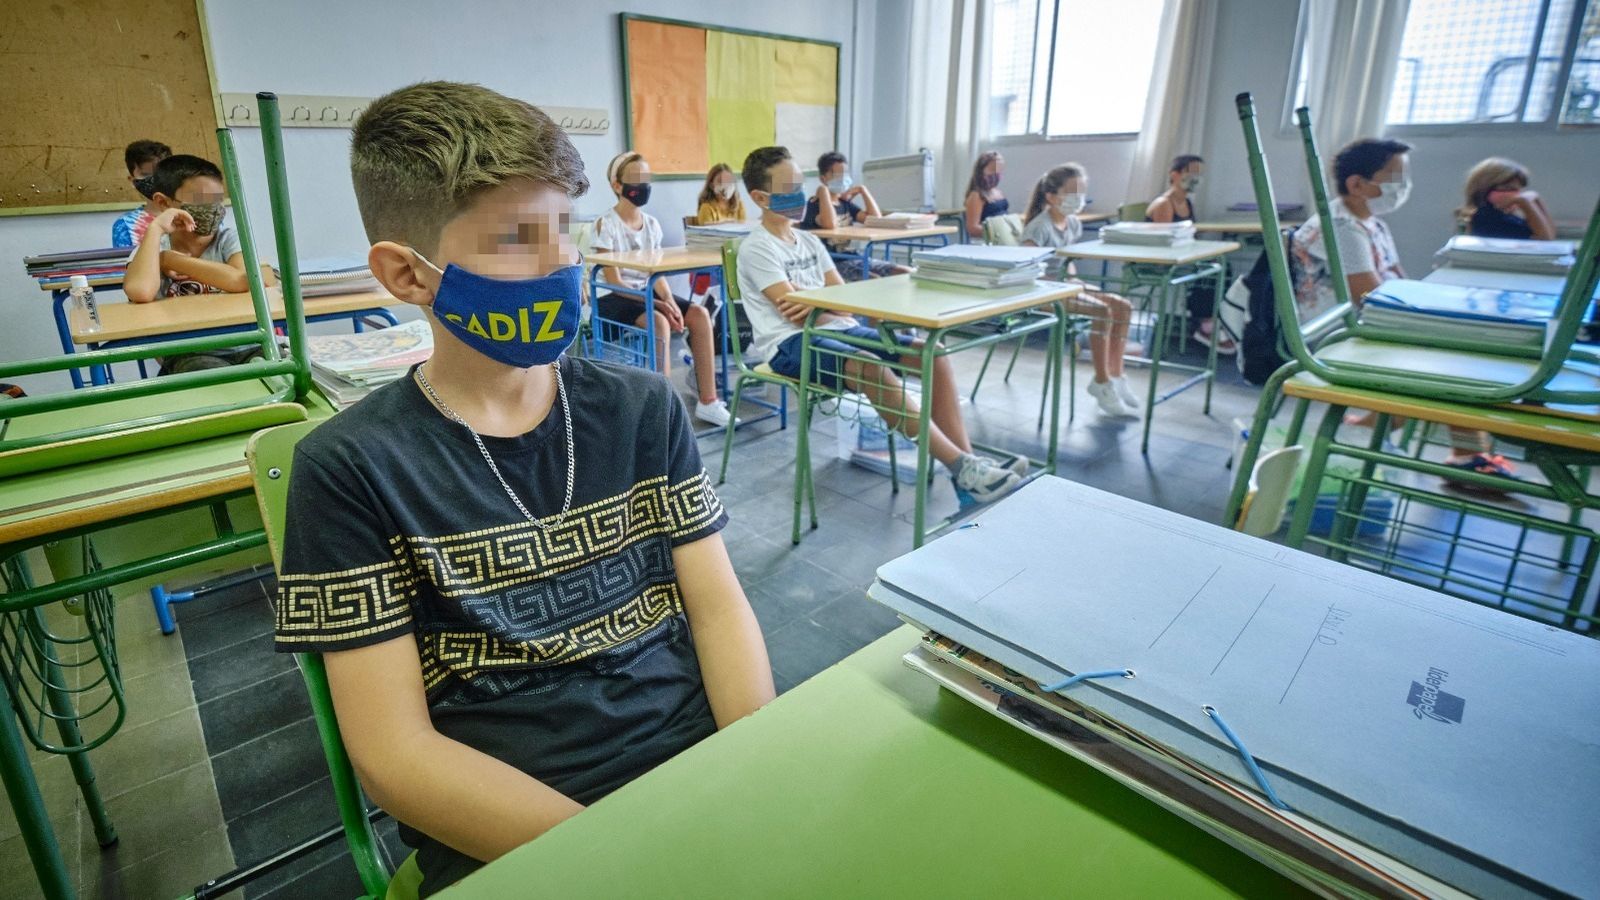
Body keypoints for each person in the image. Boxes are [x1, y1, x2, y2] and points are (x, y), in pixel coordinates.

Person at [274, 81, 773, 896]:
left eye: (565, 234)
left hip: (703, 767)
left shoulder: (643, 408)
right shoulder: (351, 469)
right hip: (514, 828)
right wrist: (621, 862)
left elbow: (718, 607)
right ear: (407, 274)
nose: (562, 267)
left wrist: (758, 762)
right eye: (516, 239)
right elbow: (396, 758)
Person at [737, 145, 1024, 506]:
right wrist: (818, 305)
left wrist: (814, 303)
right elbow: (790, 311)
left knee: (929, 353)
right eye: (788, 187)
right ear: (761, 197)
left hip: (835, 328)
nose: (800, 193)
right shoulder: (757, 247)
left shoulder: (808, 239)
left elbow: (837, 298)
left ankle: (969, 471)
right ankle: (961, 465)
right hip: (788, 344)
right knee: (871, 367)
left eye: (800, 183)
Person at [593, 151, 736, 427]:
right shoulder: (606, 224)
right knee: (659, 322)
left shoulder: (652, 225)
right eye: (635, 179)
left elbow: (656, 273)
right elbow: (613, 280)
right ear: (617, 185)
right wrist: (658, 305)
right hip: (615, 296)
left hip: (648, 292)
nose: (642, 185)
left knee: (698, 314)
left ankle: (709, 401)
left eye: (646, 179)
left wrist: (668, 299)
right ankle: (664, 407)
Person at [123, 153, 279, 374]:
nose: (212, 209)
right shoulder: (151, 249)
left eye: (217, 201)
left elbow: (245, 279)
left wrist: (171, 260)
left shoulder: (227, 239)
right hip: (191, 351)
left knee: (290, 371)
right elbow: (140, 291)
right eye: (199, 200)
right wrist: (155, 229)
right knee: (214, 383)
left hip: (250, 343)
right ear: (163, 202)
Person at [1020, 164, 1138, 418]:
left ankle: (1117, 376)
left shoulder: (1073, 224)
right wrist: (1066, 284)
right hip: (1041, 291)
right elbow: (1027, 271)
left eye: (1081, 192)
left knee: (1123, 306)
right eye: (1072, 193)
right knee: (1102, 311)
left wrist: (1074, 281)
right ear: (1051, 197)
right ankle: (1102, 382)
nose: (1079, 199)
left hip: (1064, 285)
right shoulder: (1038, 228)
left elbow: (1067, 262)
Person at [1146, 154, 1230, 353]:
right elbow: (1166, 241)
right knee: (1210, 269)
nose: (1196, 178)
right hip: (1162, 261)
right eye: (1191, 173)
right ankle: (1203, 323)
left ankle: (1209, 320)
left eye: (1199, 174)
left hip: (1182, 257)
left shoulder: (1187, 204)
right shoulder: (1163, 204)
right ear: (1175, 175)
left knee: (1220, 264)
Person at [800, 150, 905, 280]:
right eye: (837, 175)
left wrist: (863, 190)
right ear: (823, 178)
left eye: (845, 174)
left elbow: (875, 219)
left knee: (904, 271)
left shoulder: (845, 204)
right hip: (830, 263)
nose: (842, 179)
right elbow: (830, 224)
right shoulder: (814, 204)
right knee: (874, 279)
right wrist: (823, 191)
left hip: (853, 257)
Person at [1460, 157, 1556, 240]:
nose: (1516, 195)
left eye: (1518, 190)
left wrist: (1536, 199)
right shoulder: (1486, 218)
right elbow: (1544, 240)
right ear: (1484, 190)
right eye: (1508, 189)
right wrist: (1524, 202)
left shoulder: (1506, 215)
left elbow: (1551, 235)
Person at [111, 139, 171, 248]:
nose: (155, 180)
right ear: (132, 181)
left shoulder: (193, 214)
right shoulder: (125, 225)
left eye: (161, 173)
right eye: (145, 175)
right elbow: (128, 264)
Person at [962, 151, 1008, 240]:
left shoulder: (998, 192)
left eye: (999, 170)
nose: (996, 173)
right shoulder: (976, 196)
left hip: (1002, 240)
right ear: (981, 171)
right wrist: (997, 231)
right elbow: (972, 228)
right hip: (986, 242)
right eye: (992, 169)